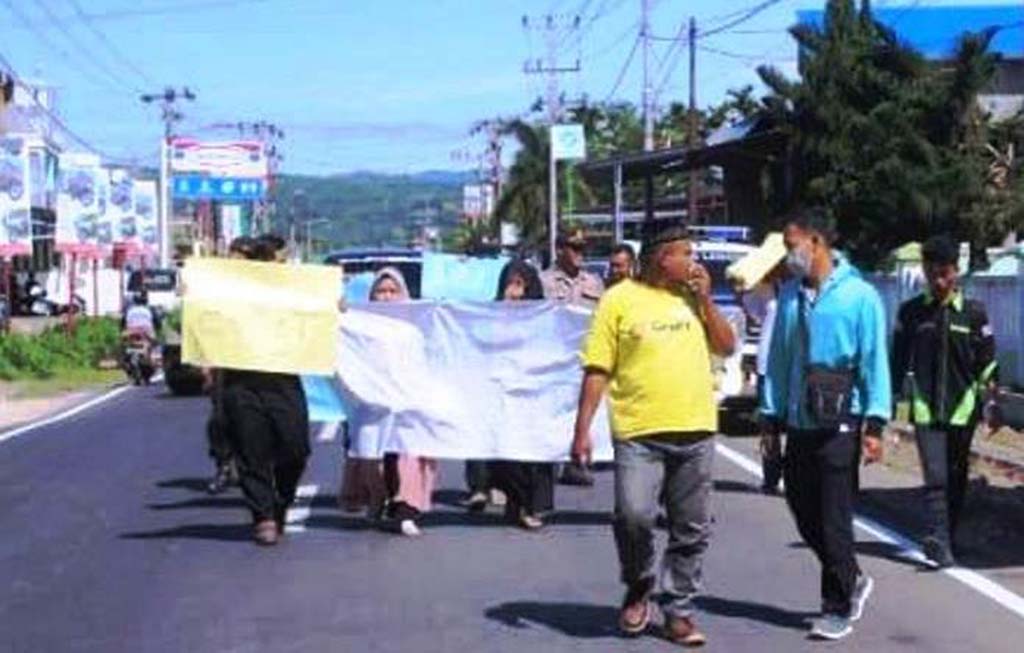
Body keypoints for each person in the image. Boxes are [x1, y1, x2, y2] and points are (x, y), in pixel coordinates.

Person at [572, 222, 736, 646]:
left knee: (691, 527)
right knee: (633, 516)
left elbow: (726, 346)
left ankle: (679, 610)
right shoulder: (618, 300)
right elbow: (597, 368)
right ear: (662, 257)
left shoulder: (693, 297)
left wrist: (705, 301)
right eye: (685, 252)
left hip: (696, 428)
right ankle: (639, 582)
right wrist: (581, 430)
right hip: (639, 433)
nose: (692, 260)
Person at [761, 209, 890, 641]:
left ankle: (836, 605)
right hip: (799, 419)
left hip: (841, 421)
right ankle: (851, 575)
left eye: (791, 244)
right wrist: (770, 417)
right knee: (802, 508)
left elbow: (875, 361)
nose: (788, 253)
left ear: (816, 242)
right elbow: (778, 361)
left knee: (835, 516)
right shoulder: (792, 294)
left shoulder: (860, 296)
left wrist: (874, 425)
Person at [891, 235, 998, 568]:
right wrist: (891, 408)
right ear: (924, 271)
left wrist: (992, 403)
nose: (938, 280)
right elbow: (897, 362)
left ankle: (945, 537)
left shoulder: (974, 314)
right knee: (935, 475)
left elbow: (988, 364)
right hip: (924, 407)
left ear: (956, 272)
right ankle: (938, 537)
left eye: (944, 273)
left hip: (963, 407)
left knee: (956, 475)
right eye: (931, 272)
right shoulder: (911, 313)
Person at [221, 235, 311, 546]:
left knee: (295, 447)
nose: (282, 266)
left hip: (283, 379)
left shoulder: (297, 293)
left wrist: (332, 306)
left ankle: (280, 501)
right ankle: (264, 516)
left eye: (284, 261)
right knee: (250, 449)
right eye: (276, 260)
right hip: (241, 378)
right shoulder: (233, 292)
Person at [486, 260, 557, 530]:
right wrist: (505, 310)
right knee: (505, 454)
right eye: (510, 284)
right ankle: (515, 501)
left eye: (520, 284)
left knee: (534, 455)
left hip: (536, 394)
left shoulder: (546, 315)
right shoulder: (491, 314)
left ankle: (531, 505)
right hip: (503, 393)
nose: (514, 291)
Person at [542, 230, 605, 487]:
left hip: (584, 355)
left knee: (583, 408)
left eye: (583, 248)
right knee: (553, 410)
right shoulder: (543, 281)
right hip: (553, 355)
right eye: (574, 247)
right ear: (560, 249)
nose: (581, 253)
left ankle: (576, 461)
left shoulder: (594, 282)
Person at [204, 237, 259, 495]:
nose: (236, 262)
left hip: (259, 362)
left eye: (243, 257)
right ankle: (224, 464)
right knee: (220, 417)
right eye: (233, 256)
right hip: (225, 361)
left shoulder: (267, 290)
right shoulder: (217, 289)